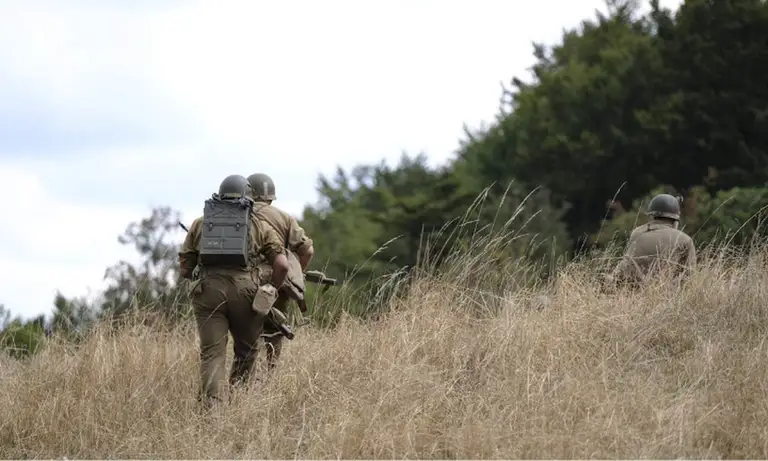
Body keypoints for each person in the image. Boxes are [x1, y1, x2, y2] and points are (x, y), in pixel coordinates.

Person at [178, 174, 289, 409]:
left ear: (219, 195)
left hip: (208, 293)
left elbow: (185, 268)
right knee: (246, 351)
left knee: (212, 354)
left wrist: (199, 274)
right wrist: (271, 288)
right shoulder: (260, 224)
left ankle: (211, 410)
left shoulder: (201, 223)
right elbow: (282, 265)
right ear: (248, 197)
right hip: (246, 293)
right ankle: (239, 406)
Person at [246, 172, 315, 370]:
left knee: (246, 330)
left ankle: (246, 373)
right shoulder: (284, 218)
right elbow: (307, 250)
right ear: (270, 196)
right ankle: (270, 373)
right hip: (276, 279)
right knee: (275, 329)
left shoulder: (242, 213)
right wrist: (295, 273)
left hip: (243, 280)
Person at [607, 193, 697, 289]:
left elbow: (627, 264)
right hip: (663, 292)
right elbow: (690, 276)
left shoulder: (637, 233)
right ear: (675, 220)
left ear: (652, 215)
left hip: (631, 290)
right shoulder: (685, 239)